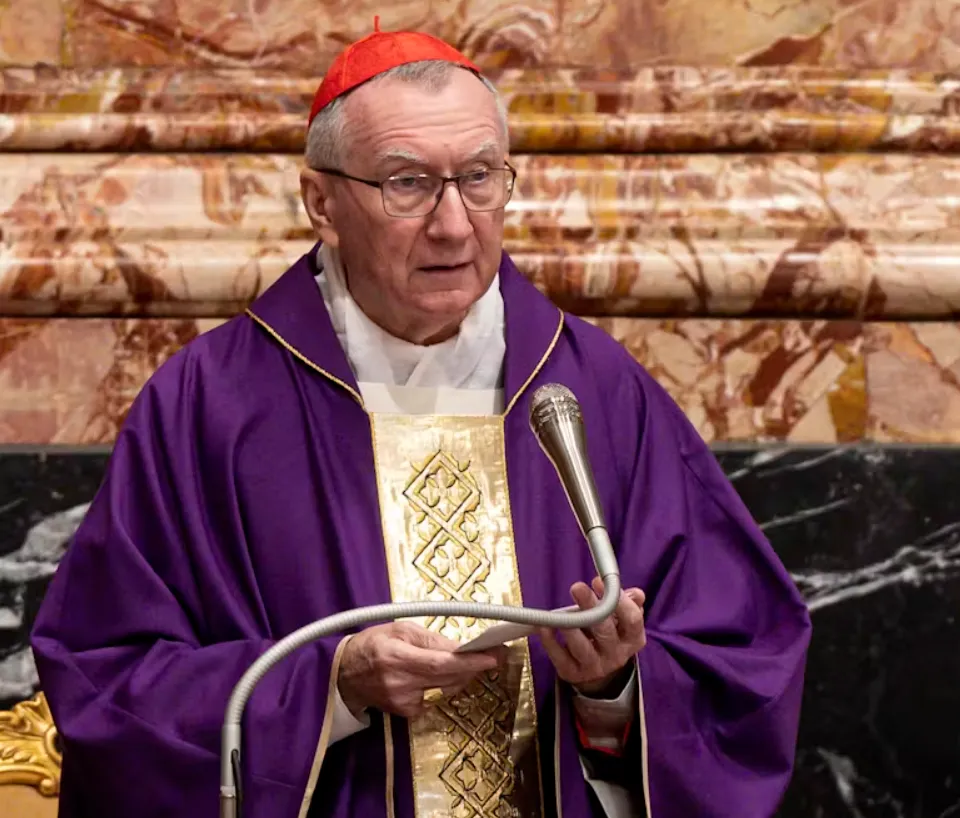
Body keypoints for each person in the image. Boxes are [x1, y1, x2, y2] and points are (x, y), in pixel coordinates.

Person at [30, 19, 812, 818]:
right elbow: (107, 674)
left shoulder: (591, 390)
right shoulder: (211, 405)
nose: (453, 223)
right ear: (321, 203)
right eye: (407, 184)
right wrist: (330, 687)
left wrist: (614, 685)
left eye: (479, 177)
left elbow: (743, 660)